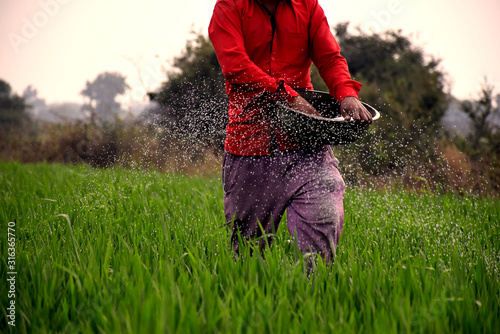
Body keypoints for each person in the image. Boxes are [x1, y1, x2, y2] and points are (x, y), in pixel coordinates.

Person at [208, 0, 372, 266]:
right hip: (251, 148)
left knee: (324, 214)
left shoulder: (308, 6)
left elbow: (330, 58)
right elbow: (235, 65)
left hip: (305, 142)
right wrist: (288, 96)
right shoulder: (230, 6)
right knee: (248, 256)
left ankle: (312, 295)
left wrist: (347, 94)